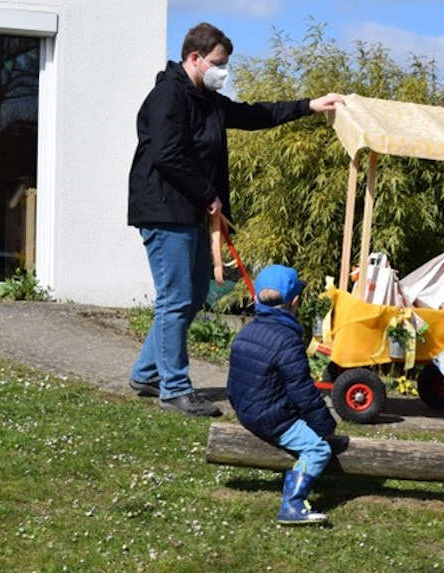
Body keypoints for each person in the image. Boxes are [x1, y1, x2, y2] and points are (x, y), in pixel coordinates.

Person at [127, 22, 344, 417]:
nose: (222, 71)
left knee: (191, 296)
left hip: (190, 211)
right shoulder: (167, 96)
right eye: (217, 63)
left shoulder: (207, 99)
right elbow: (168, 155)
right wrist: (209, 196)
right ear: (195, 58)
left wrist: (310, 105)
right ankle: (174, 388)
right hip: (164, 211)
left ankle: (146, 372)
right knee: (176, 299)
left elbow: (254, 114)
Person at [227, 264, 337, 524]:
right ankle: (293, 504)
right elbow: (302, 392)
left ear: (255, 299)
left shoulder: (246, 331)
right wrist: (325, 426)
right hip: (269, 417)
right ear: (295, 302)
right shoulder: (288, 340)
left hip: (245, 408)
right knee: (318, 449)